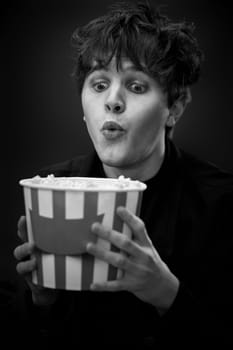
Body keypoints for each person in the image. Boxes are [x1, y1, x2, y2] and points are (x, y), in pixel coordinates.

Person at [10, 1, 233, 348]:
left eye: (136, 86)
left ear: (174, 107)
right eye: (99, 85)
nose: (112, 101)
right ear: (84, 109)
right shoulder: (46, 191)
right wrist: (41, 301)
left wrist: (167, 293)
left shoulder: (221, 203)